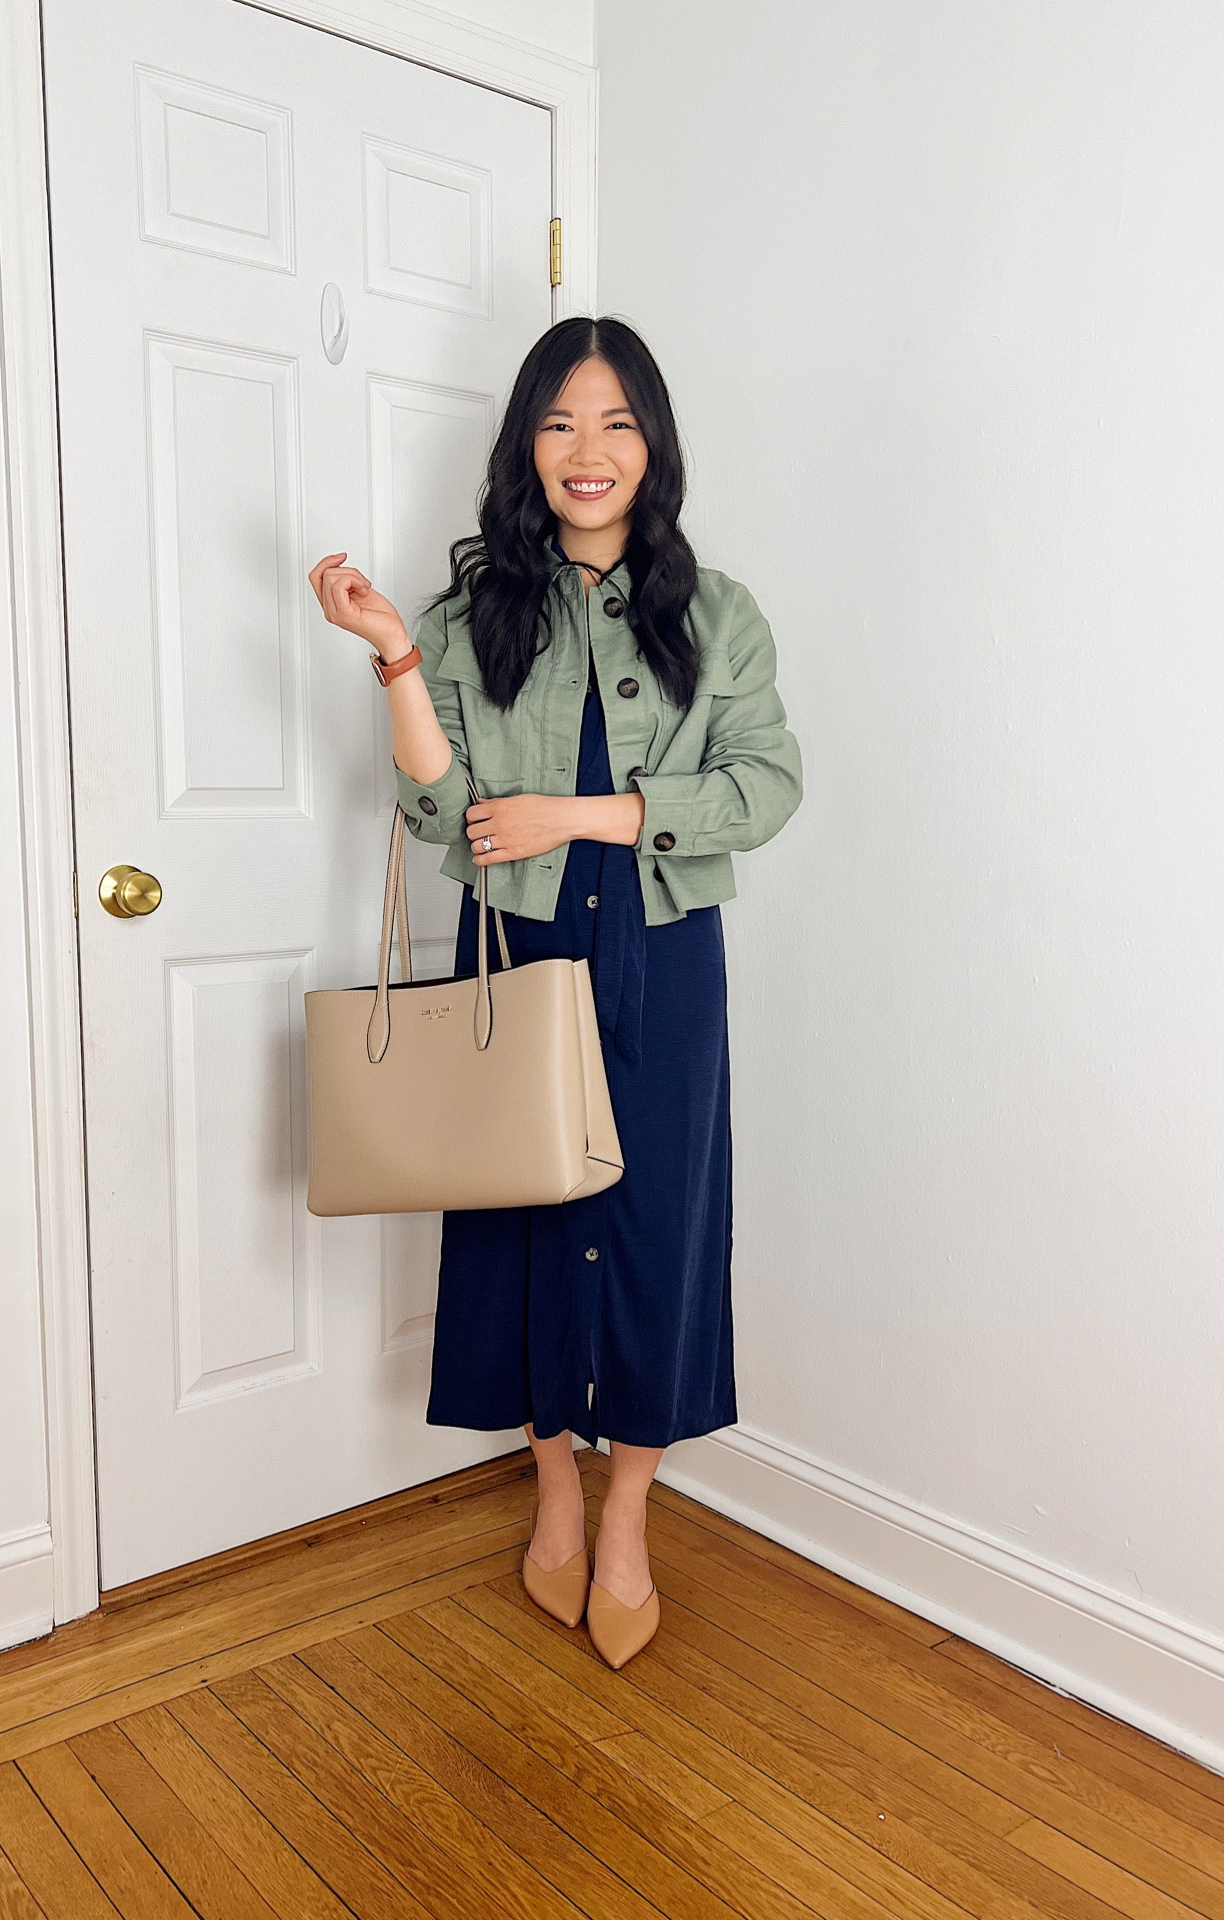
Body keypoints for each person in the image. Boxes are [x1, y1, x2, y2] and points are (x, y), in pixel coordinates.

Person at [308, 315, 802, 1669]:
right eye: (561, 422)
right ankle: (552, 1493)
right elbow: (439, 812)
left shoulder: (717, 614)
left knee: (659, 1228)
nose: (590, 452)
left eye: (618, 423)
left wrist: (580, 814)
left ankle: (631, 1510)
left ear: (654, 445)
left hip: (663, 949)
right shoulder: (477, 617)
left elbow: (764, 791)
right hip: (518, 951)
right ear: (528, 444)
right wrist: (398, 654)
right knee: (523, 1221)